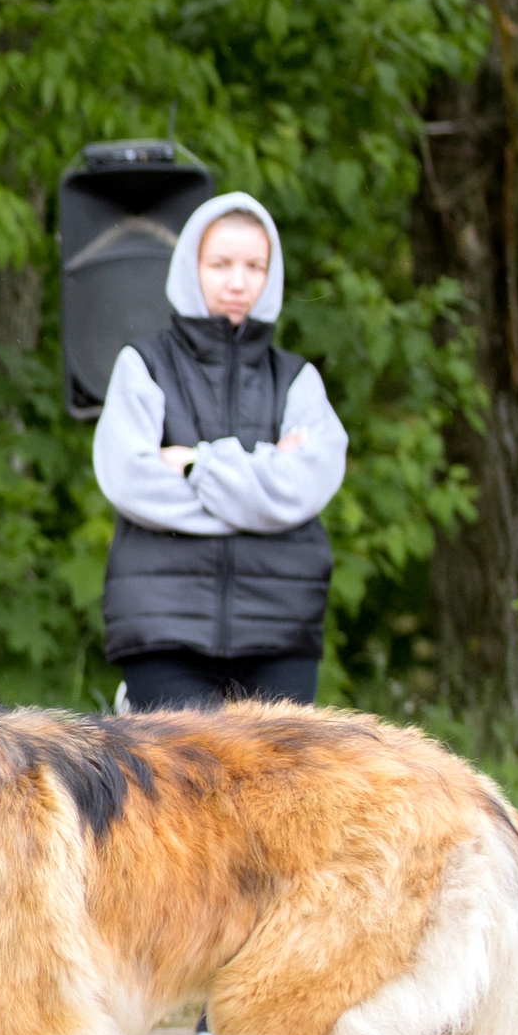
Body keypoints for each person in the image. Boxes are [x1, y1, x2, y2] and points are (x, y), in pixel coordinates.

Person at [91, 192, 346, 711]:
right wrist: (262, 483)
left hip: (281, 627)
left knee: (281, 792)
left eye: (255, 266)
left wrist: (193, 464)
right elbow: (129, 481)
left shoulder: (298, 379)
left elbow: (307, 487)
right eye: (221, 264)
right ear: (191, 267)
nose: (238, 282)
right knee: (176, 790)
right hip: (165, 629)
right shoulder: (143, 366)